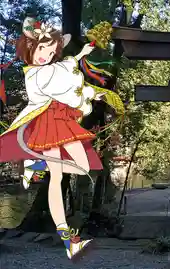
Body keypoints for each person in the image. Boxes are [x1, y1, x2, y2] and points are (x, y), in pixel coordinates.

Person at [0, 17, 106, 260]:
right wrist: (88, 94)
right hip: (46, 122)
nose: (45, 55)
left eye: (50, 51)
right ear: (31, 48)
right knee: (57, 177)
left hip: (61, 121)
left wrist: (80, 55)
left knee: (82, 167)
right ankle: (69, 240)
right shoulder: (34, 74)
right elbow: (62, 84)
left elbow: (64, 69)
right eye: (41, 49)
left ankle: (36, 165)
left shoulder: (51, 69)